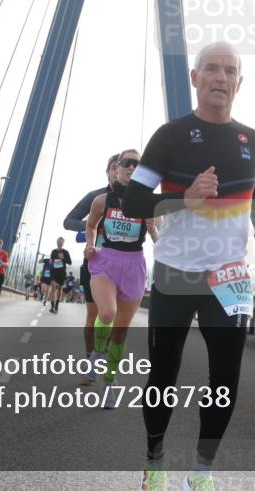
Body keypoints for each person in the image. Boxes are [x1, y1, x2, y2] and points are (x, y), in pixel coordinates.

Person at [122, 42, 255, 491]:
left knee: (225, 378)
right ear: (195, 78)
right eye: (211, 68)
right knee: (163, 373)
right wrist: (184, 199)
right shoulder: (169, 136)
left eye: (229, 71)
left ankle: (202, 472)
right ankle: (154, 462)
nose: (220, 78)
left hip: (230, 275)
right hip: (175, 270)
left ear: (239, 82)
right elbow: (133, 203)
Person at [86, 149, 159, 409]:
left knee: (119, 333)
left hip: (134, 266)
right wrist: (90, 244)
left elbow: (159, 241)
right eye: (126, 163)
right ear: (116, 168)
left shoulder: (149, 204)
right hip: (105, 262)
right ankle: (97, 353)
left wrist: (153, 230)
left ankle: (108, 383)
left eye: (137, 164)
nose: (131, 167)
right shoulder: (101, 201)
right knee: (107, 313)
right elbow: (91, 225)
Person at [63, 153, 120, 382]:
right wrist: (93, 225)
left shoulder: (137, 198)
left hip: (124, 264)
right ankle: (91, 363)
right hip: (95, 262)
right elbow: (68, 221)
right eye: (114, 166)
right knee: (94, 315)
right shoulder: (96, 197)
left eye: (125, 166)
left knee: (113, 317)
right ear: (107, 172)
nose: (119, 170)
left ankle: (105, 363)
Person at [48, 238, 72, 313]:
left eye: (61, 242)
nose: (59, 243)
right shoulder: (53, 251)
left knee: (59, 290)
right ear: (56, 242)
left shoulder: (65, 252)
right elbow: (51, 260)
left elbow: (70, 262)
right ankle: (52, 306)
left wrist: (63, 258)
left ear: (63, 243)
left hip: (61, 273)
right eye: (58, 242)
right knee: (53, 288)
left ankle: (56, 306)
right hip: (53, 272)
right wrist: (51, 261)